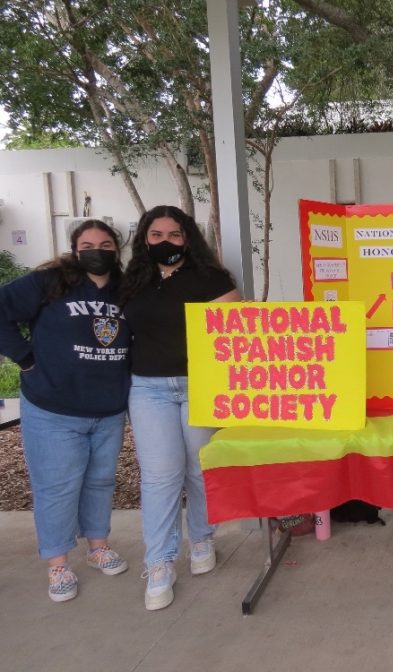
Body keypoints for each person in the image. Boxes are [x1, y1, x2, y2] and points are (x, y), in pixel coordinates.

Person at [0, 220, 131, 602]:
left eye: (105, 244)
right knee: (57, 488)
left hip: (107, 409)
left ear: (116, 249)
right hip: (53, 406)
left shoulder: (127, 288)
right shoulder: (50, 282)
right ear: (75, 250)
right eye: (87, 244)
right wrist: (25, 358)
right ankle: (57, 565)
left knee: (99, 482)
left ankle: (98, 546)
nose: (97, 250)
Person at [121, 205, 240, 611]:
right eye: (157, 235)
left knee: (199, 467)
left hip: (200, 387)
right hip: (148, 388)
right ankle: (160, 562)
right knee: (159, 476)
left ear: (188, 237)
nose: (166, 242)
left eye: (175, 234)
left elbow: (234, 333)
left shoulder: (212, 279)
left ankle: (203, 538)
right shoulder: (132, 282)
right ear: (144, 239)